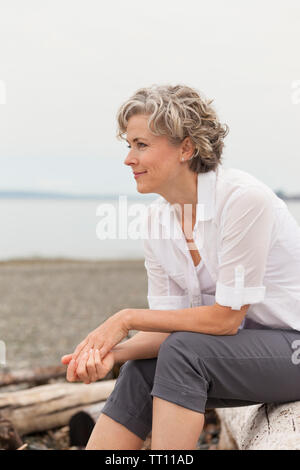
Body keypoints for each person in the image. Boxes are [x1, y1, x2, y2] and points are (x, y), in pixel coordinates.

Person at [61, 84, 300, 450]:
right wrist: (110, 356)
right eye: (129, 145)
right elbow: (166, 330)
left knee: (185, 352)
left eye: (141, 145)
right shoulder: (158, 223)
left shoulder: (242, 201)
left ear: (186, 148)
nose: (129, 158)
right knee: (143, 370)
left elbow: (225, 320)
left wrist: (125, 318)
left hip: (292, 351)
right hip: (242, 357)